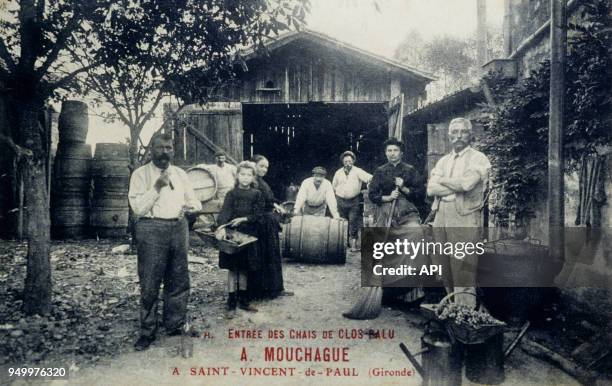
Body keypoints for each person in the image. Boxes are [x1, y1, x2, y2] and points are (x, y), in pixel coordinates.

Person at [128, 132, 202, 351]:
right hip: (151, 228)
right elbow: (138, 209)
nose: (164, 152)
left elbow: (194, 200)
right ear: (151, 149)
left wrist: (193, 208)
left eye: (168, 148)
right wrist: (157, 186)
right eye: (160, 148)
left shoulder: (180, 174)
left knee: (178, 278)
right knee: (150, 281)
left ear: (173, 150)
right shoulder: (140, 175)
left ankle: (175, 323)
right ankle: (147, 331)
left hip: (178, 227)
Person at [343, 138, 425, 320]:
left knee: (415, 236)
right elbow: (372, 194)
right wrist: (388, 197)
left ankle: (409, 292)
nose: (392, 153)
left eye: (395, 150)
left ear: (401, 152)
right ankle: (383, 293)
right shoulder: (380, 172)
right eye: (389, 150)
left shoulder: (410, 170)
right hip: (385, 212)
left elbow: (420, 195)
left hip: (407, 213)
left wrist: (403, 187)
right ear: (385, 153)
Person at [427, 117, 491, 307]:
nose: (458, 136)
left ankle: (466, 315)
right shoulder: (443, 160)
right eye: (454, 132)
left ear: (470, 134)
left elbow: (467, 184)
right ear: (448, 136)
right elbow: (430, 189)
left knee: (463, 266)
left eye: (463, 132)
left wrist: (443, 180)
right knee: (443, 265)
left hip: (464, 215)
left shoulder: (479, 158)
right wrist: (454, 185)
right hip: (441, 215)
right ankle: (453, 309)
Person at [215, 161, 264, 317]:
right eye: (242, 174)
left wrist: (244, 219)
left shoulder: (257, 194)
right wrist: (221, 226)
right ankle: (231, 300)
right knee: (232, 268)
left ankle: (243, 299)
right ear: (237, 176)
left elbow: (258, 215)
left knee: (243, 267)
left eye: (249, 175)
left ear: (253, 178)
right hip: (232, 235)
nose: (245, 178)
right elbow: (224, 212)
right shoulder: (232, 194)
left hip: (248, 235)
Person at [247, 155, 294, 299]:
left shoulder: (261, 182)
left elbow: (269, 200)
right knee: (261, 256)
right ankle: (260, 291)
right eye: (261, 166)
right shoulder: (251, 182)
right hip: (259, 224)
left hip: (268, 223)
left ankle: (274, 289)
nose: (264, 169)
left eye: (266, 167)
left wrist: (277, 206)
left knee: (272, 255)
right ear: (253, 165)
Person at [332, 151, 372, 251]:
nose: (348, 163)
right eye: (345, 161)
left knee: (353, 221)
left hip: (354, 200)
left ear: (353, 161)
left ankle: (353, 245)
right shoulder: (338, 172)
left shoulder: (358, 171)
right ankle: (343, 244)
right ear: (342, 162)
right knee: (341, 221)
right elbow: (334, 186)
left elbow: (369, 178)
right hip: (340, 200)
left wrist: (369, 184)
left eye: (350, 161)